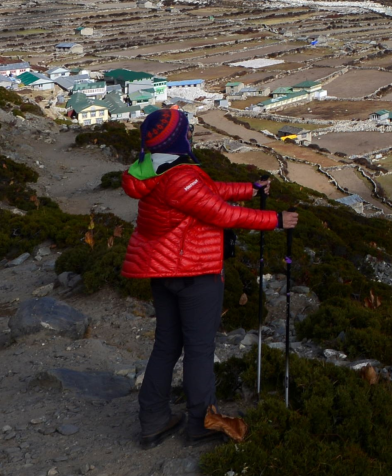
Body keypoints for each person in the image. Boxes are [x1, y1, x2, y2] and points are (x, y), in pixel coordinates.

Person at [118, 107, 296, 448]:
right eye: (187, 130)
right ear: (178, 137)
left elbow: (209, 191)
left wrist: (249, 188)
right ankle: (202, 422)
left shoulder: (154, 170)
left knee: (167, 346)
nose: (191, 135)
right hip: (195, 273)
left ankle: (153, 419)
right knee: (199, 349)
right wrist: (275, 220)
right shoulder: (182, 177)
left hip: (164, 272)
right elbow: (220, 211)